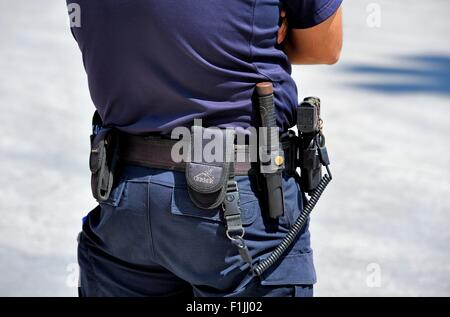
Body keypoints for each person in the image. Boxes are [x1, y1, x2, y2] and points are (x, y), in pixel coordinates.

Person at [68, 0, 343, 297]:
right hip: (239, 205)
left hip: (124, 198)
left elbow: (128, 36)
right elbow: (325, 46)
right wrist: (255, 36)